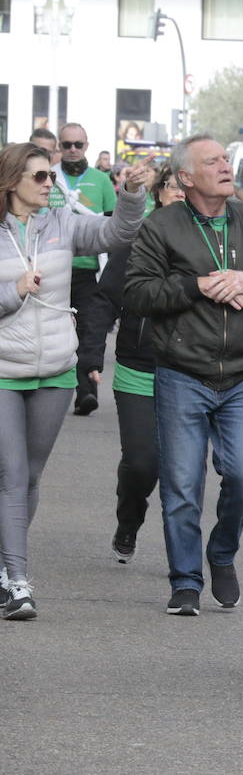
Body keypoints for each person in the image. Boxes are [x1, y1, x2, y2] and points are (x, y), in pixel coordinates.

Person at [124, 134, 243, 617]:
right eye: (213, 161)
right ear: (186, 177)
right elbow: (137, 294)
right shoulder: (161, 226)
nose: (226, 165)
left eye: (226, 158)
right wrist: (200, 286)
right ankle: (184, 581)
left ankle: (221, 554)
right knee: (181, 485)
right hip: (182, 372)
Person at [0, 143, 150, 619]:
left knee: (31, 475)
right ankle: (19, 581)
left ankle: (5, 566)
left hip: (56, 371)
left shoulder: (62, 225)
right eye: (41, 177)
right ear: (11, 183)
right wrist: (14, 292)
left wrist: (128, 193)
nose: (51, 184)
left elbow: (118, 232)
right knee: (11, 474)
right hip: (3, 370)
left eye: (51, 177)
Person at [91, 166, 184, 564]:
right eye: (172, 186)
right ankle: (128, 519)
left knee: (182, 473)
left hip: (191, 372)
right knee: (142, 463)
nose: (180, 193)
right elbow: (105, 299)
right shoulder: (137, 239)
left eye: (187, 186)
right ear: (158, 192)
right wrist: (91, 354)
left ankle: (183, 561)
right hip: (138, 367)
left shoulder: (214, 242)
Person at [50, 123, 117, 417]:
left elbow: (115, 223)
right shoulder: (48, 177)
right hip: (54, 267)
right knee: (58, 331)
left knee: (91, 329)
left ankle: (87, 391)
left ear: (87, 145)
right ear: (59, 147)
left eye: (78, 144)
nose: (73, 150)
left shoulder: (101, 180)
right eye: (67, 145)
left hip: (91, 269)